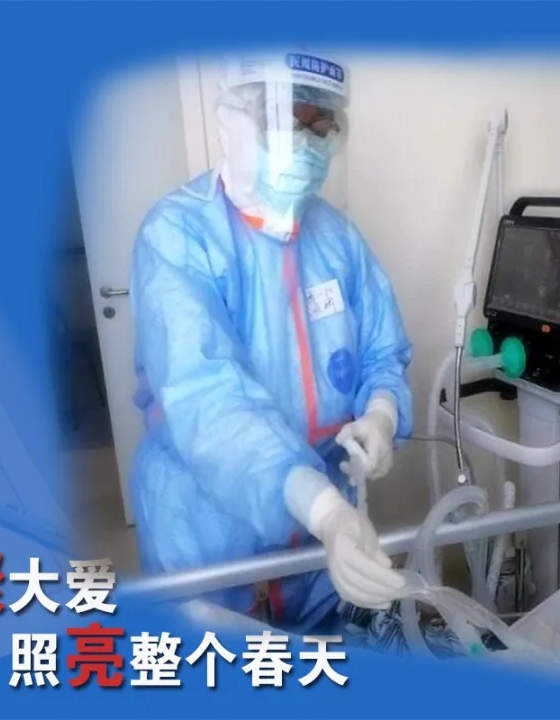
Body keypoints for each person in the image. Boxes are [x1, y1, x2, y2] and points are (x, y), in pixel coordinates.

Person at [128, 51, 413, 633]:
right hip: (208, 522)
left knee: (320, 660)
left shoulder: (338, 238)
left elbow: (383, 352)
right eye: (286, 121)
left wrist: (381, 414)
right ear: (234, 121)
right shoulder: (177, 235)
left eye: (320, 125)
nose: (305, 144)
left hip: (318, 531)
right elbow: (205, 396)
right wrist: (324, 510)